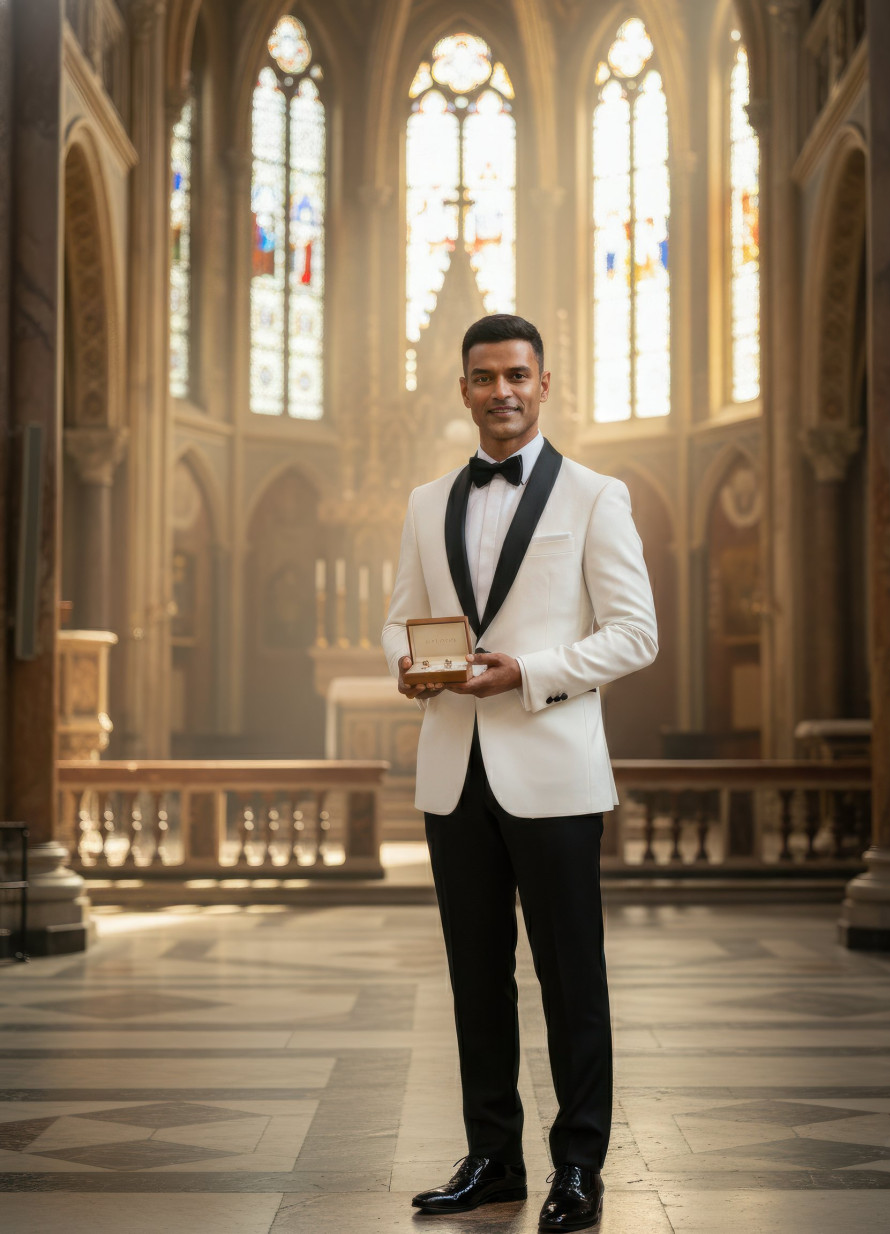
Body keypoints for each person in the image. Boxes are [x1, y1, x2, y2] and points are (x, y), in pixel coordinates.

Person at [382, 314, 658, 1231]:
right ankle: (492, 1157)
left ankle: (578, 1167)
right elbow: (401, 617)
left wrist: (530, 674)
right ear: (461, 389)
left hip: (553, 769)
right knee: (475, 975)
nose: (500, 390)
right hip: (454, 769)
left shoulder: (595, 495)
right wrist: (408, 664)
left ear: (545, 385)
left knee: (572, 977)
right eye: (483, 376)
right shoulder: (426, 503)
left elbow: (634, 633)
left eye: (516, 374)